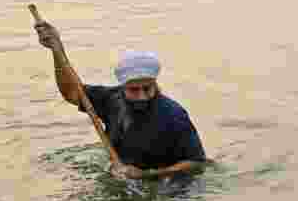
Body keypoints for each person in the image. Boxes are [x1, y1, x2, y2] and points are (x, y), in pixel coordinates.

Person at [35, 20, 207, 182]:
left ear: (155, 84)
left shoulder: (173, 115)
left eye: (147, 88)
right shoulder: (112, 99)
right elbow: (72, 92)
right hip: (123, 175)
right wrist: (57, 50)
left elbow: (197, 162)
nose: (142, 96)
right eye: (134, 90)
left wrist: (147, 175)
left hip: (165, 185)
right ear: (123, 87)